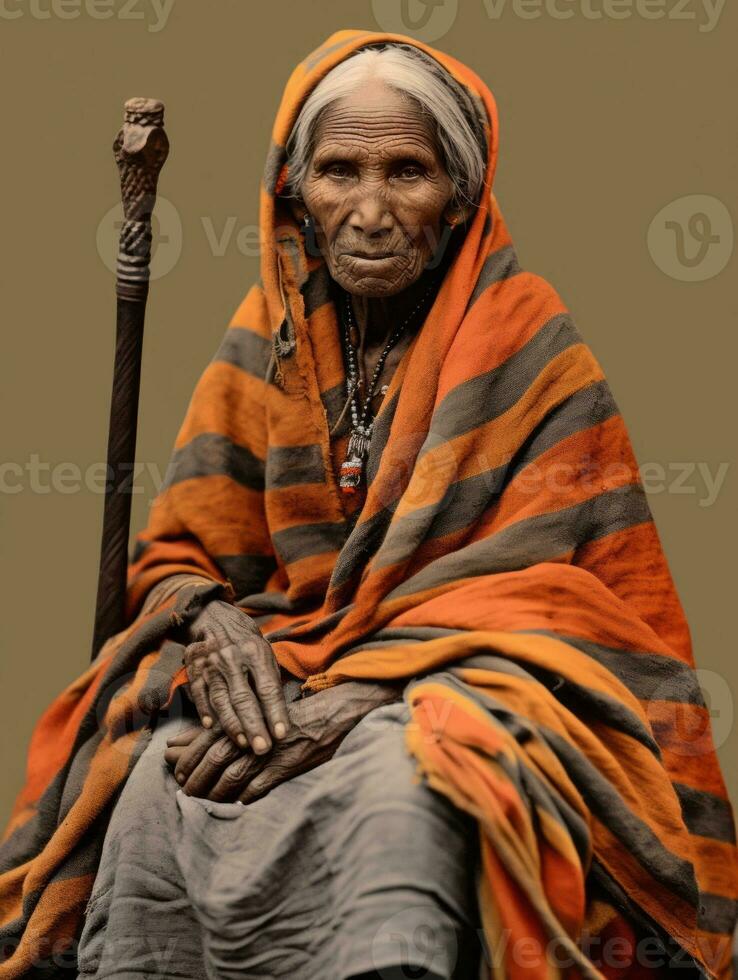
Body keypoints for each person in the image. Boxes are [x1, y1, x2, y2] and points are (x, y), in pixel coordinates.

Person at [1, 28, 736, 980]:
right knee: (154, 773)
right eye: (339, 171)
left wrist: (371, 690)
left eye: (409, 172)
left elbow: (583, 618)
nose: (373, 211)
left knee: (405, 784)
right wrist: (212, 618)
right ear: (294, 192)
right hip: (285, 671)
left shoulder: (531, 350)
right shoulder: (269, 337)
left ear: (463, 195)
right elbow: (182, 552)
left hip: (483, 693)